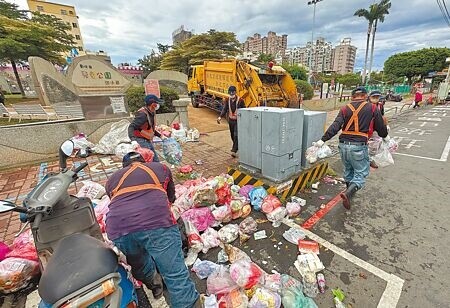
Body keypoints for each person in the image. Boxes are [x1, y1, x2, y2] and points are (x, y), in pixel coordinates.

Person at [105, 152, 200, 308]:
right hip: (157, 222)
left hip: (119, 228)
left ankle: (156, 286)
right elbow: (171, 198)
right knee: (174, 273)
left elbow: (117, 204)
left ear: (123, 167)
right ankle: (187, 304)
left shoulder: (111, 180)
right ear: (145, 162)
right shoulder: (161, 168)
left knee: (139, 263)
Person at [314, 86, 389, 209]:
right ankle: (348, 193)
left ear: (352, 97)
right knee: (361, 172)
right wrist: (385, 137)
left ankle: (349, 191)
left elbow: (335, 126)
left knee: (348, 170)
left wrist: (322, 140)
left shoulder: (344, 108)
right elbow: (380, 126)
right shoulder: (372, 108)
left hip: (343, 145)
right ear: (365, 96)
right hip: (358, 145)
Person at [128, 94, 166, 162]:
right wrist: (133, 141)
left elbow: (150, 128)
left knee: (155, 160)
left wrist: (161, 136)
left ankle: (156, 171)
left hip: (146, 139)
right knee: (148, 161)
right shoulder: (142, 114)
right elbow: (131, 127)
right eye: (157, 103)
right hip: (140, 140)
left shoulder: (151, 112)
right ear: (153, 104)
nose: (158, 105)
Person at [217, 85, 245, 158]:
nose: (231, 94)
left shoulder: (240, 100)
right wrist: (220, 117)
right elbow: (225, 109)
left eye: (233, 93)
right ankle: (236, 146)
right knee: (232, 135)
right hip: (231, 121)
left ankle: (234, 150)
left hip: (237, 121)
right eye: (230, 93)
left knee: (236, 135)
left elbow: (244, 110)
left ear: (235, 92)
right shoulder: (227, 100)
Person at [368, 90, 387, 169]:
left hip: (376, 127)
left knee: (374, 144)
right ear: (369, 97)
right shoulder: (366, 105)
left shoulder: (380, 106)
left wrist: (384, 126)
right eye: (374, 97)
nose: (375, 98)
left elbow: (382, 116)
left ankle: (370, 159)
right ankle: (367, 159)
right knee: (365, 144)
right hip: (367, 127)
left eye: (377, 97)